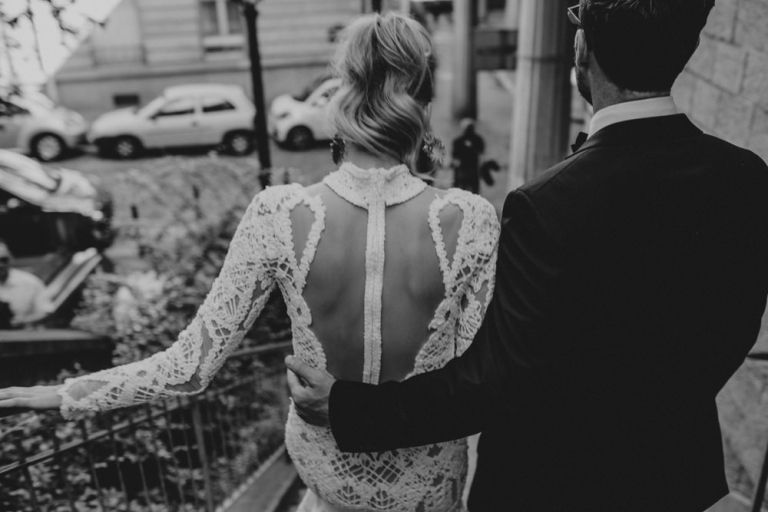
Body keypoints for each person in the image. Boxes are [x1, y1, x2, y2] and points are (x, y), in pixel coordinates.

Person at [0, 13, 500, 512]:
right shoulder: (471, 221)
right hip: (429, 491)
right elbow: (482, 382)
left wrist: (69, 394)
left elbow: (188, 367)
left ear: (341, 93)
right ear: (423, 102)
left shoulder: (278, 214)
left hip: (329, 487)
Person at [285, 1, 768, 511]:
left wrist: (347, 407)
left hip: (548, 487)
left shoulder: (545, 204)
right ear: (687, 47)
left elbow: (493, 381)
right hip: (675, 481)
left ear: (582, 49)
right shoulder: (747, 179)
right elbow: (735, 332)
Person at [0, 239, 52, 328]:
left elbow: (46, 312)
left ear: (11, 258)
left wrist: (24, 320)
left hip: (23, 334)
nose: (0, 265)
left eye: (4, 260)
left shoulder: (31, 283)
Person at [451, 119, 485, 194]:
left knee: (462, 191)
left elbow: (455, 156)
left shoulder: (458, 141)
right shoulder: (478, 139)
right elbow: (481, 151)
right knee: (472, 192)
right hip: (470, 171)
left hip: (465, 171)